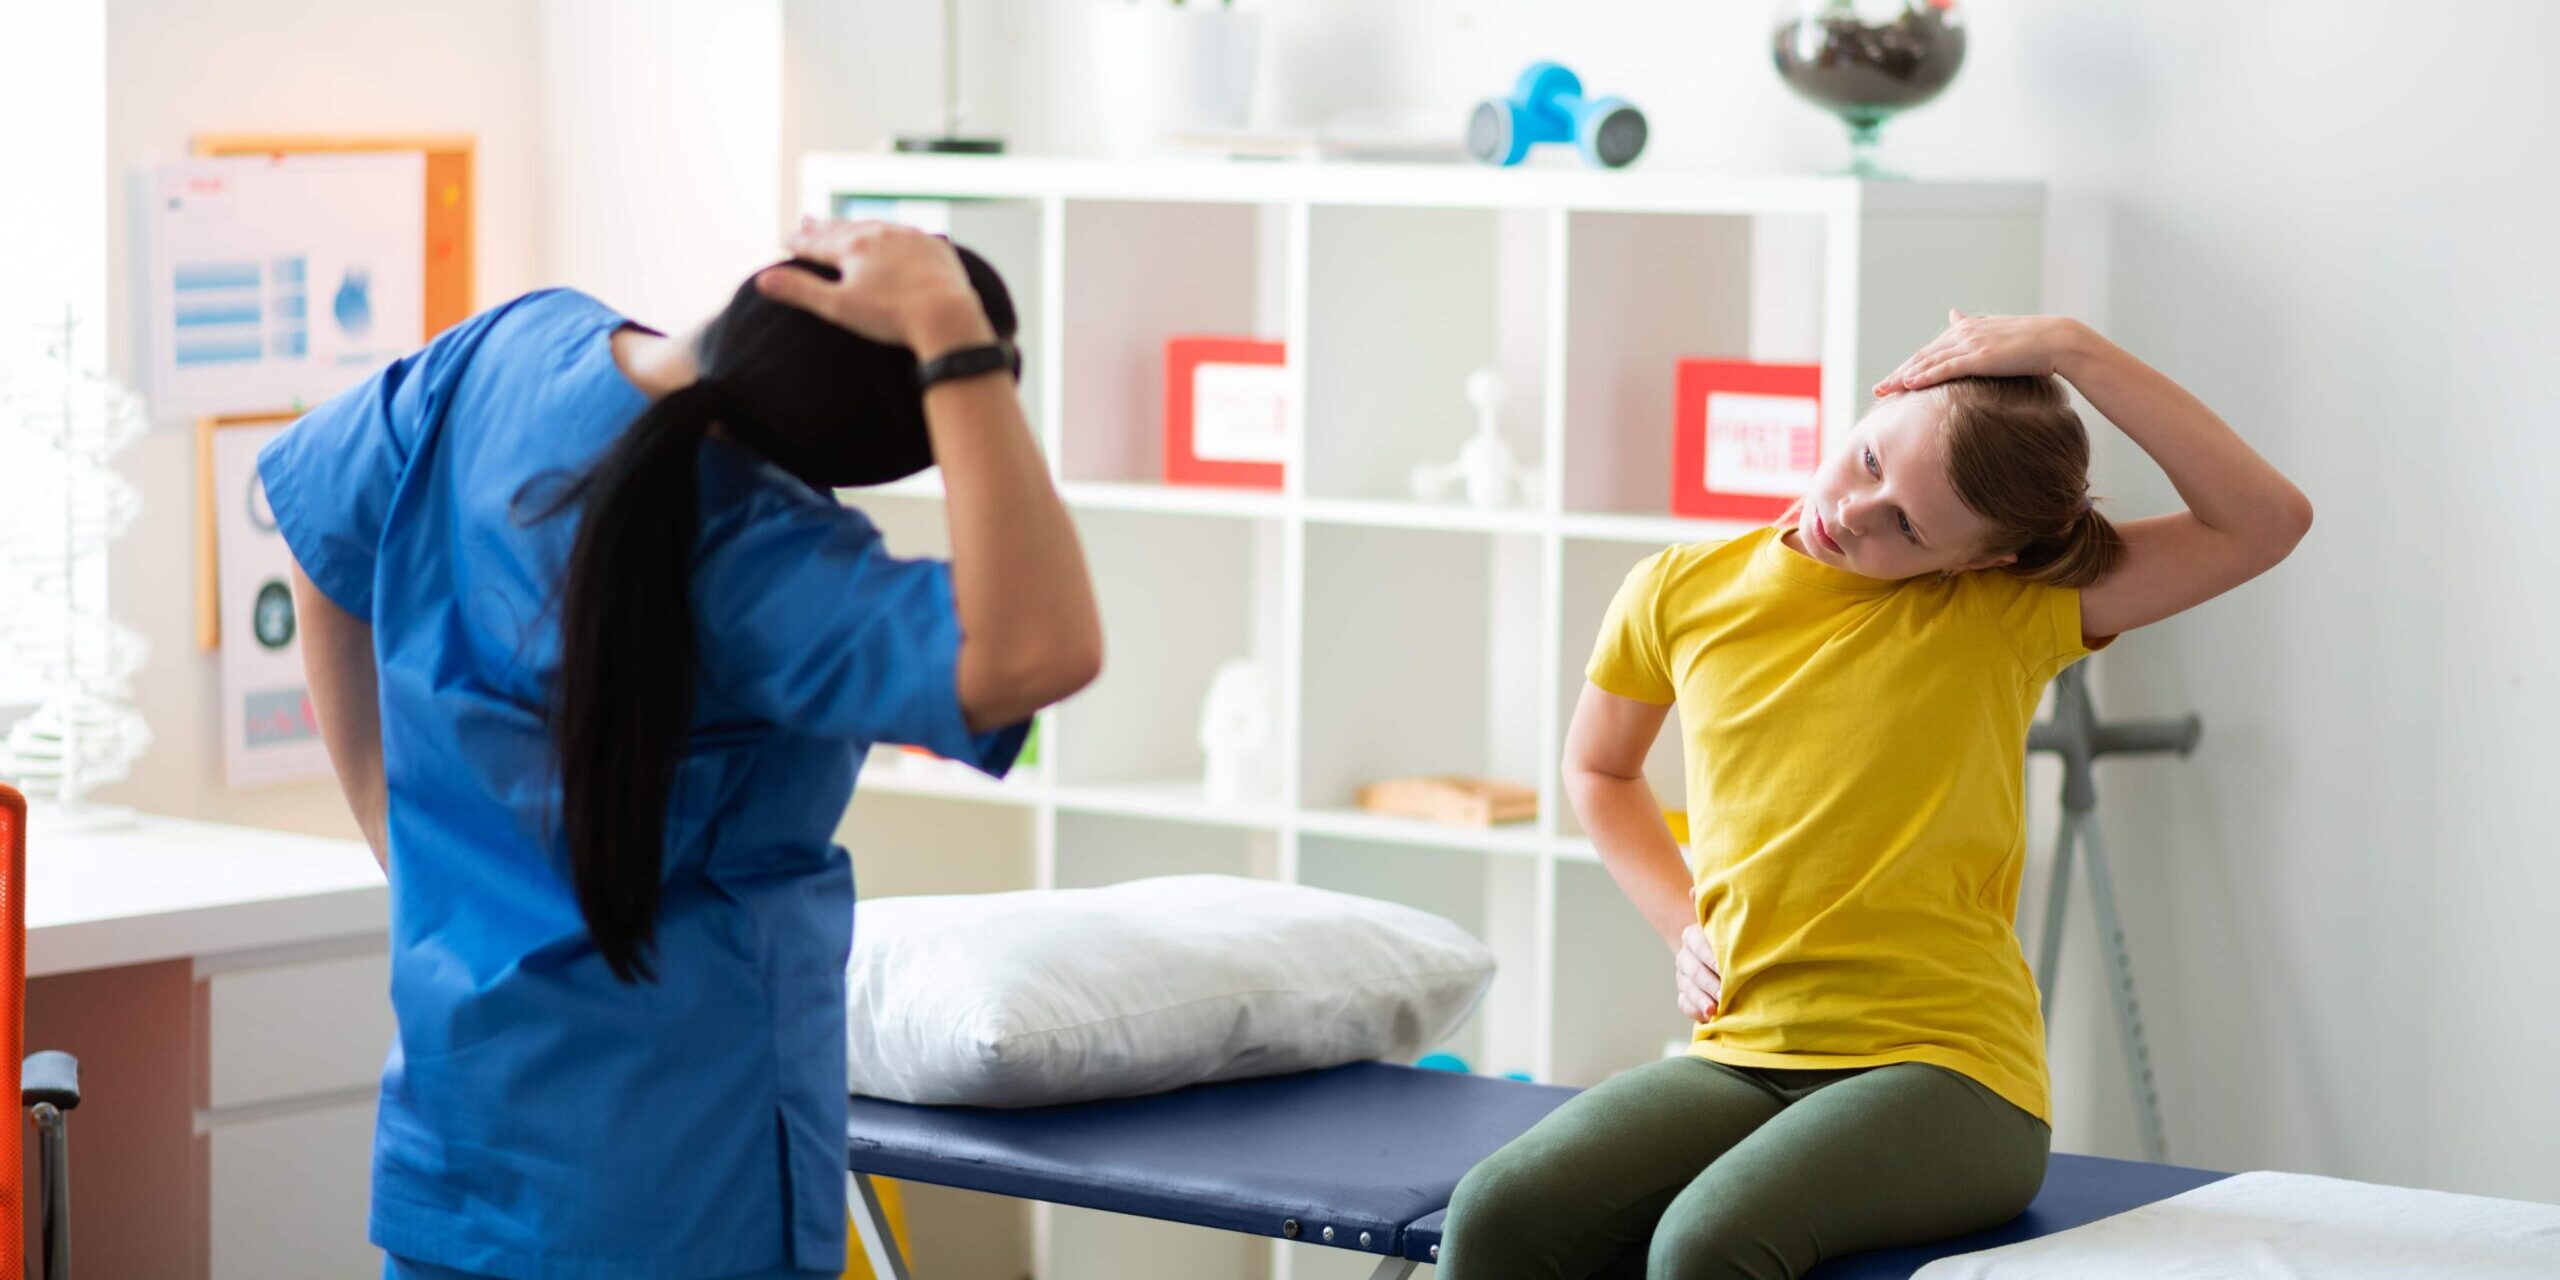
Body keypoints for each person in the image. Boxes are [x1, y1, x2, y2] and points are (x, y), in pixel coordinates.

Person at [263, 219, 1101, 1279]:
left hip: (461, 1149)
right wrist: (957, 347)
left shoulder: (509, 353)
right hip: (684, 1183)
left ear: (780, 280)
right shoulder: (777, 566)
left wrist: (398, 830)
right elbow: (1043, 645)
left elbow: (312, 526)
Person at [1438, 312, 2313, 1279]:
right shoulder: (1676, 592)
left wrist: (2073, 348)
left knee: (1705, 1246)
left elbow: (2266, 521)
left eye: (1907, 524)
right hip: (1743, 1054)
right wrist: (1682, 922)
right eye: (1866, 461)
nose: (1856, 511)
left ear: (1978, 559)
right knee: (1496, 1212)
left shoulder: (2002, 613)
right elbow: (1598, 770)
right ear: (1879, 402)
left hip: (1951, 1077)